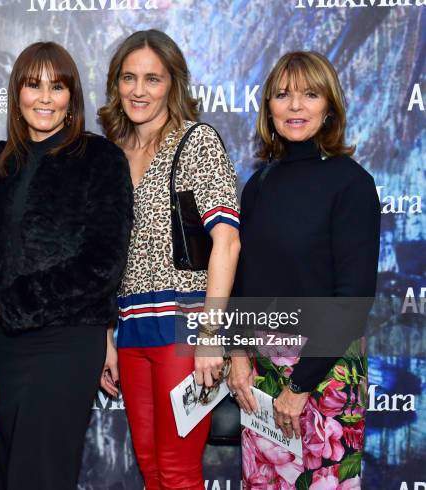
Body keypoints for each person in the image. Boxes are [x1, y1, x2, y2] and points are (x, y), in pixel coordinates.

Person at [227, 51, 380, 488]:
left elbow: (353, 298)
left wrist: (300, 386)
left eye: (309, 94)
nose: (295, 106)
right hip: (261, 377)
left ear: (328, 105)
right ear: (269, 107)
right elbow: (244, 282)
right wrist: (238, 355)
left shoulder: (352, 184)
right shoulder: (260, 185)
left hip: (325, 374)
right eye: (283, 95)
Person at [0, 41, 133, 490]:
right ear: (17, 93)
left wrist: (22, 301)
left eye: (57, 86)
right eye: (33, 85)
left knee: (41, 474)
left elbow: (104, 264)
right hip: (3, 347)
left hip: (66, 342)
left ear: (72, 99)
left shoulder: (100, 158)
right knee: (8, 474)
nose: (45, 97)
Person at [98, 30, 241, 490]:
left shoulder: (196, 142)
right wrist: (107, 336)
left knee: (178, 472)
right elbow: (104, 257)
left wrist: (210, 336)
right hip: (132, 329)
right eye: (128, 78)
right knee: (151, 467)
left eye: (152, 79)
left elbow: (228, 242)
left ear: (173, 85)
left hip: (184, 331)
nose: (138, 90)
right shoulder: (113, 155)